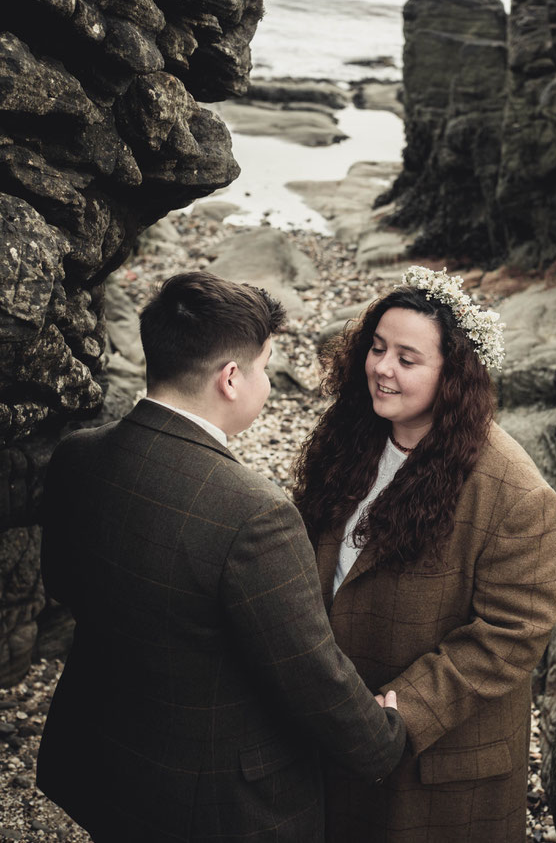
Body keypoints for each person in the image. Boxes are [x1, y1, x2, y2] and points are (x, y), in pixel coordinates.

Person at [37, 271, 405, 843]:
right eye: (264, 366)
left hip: (99, 757)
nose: (267, 383)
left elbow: (63, 584)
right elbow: (310, 675)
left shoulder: (77, 456)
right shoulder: (254, 513)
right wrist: (382, 741)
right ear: (230, 378)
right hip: (210, 802)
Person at [293, 265, 556, 843]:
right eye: (377, 348)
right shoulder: (350, 438)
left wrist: (400, 709)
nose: (382, 369)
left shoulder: (516, 492)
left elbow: (515, 631)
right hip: (332, 721)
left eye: (407, 359)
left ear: (453, 375)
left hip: (434, 762)